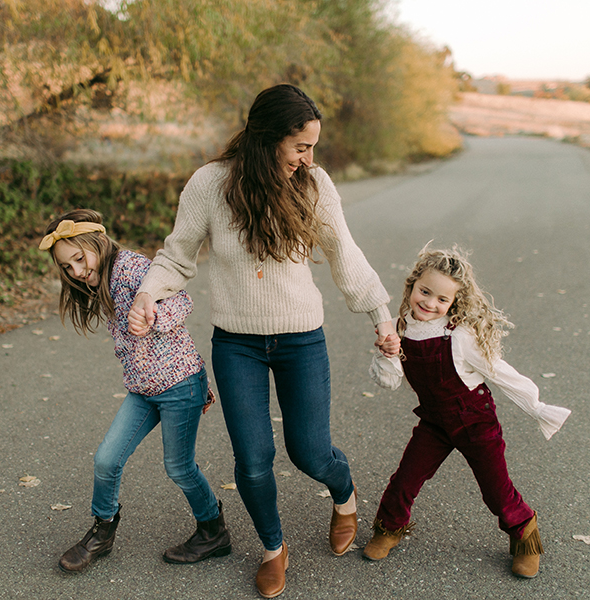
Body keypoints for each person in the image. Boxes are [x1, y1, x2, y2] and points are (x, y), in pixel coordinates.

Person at [128, 84, 399, 599]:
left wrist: (380, 317)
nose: (309, 158)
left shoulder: (314, 185)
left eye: (313, 147)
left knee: (311, 452)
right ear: (268, 139)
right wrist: (148, 295)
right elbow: (177, 255)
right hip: (237, 344)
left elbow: (345, 253)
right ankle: (273, 548)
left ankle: (344, 495)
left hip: (301, 339)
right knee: (252, 461)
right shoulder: (210, 184)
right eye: (301, 146)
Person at [38, 208, 231, 574]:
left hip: (180, 384)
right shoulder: (101, 279)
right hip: (143, 390)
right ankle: (102, 532)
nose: (77, 272)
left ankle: (213, 530)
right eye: (67, 267)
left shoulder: (130, 268)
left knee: (179, 467)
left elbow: (181, 300)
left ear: (98, 242)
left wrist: (151, 314)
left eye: (80, 259)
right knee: (107, 459)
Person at [365, 244, 571, 578]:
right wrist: (388, 353)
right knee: (405, 479)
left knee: (496, 490)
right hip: (434, 421)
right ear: (412, 285)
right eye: (425, 291)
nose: (430, 303)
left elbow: (500, 372)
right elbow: (388, 382)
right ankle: (388, 529)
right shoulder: (397, 327)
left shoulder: (459, 337)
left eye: (442, 300)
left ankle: (525, 534)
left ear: (453, 303)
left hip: (475, 420)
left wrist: (537, 407)